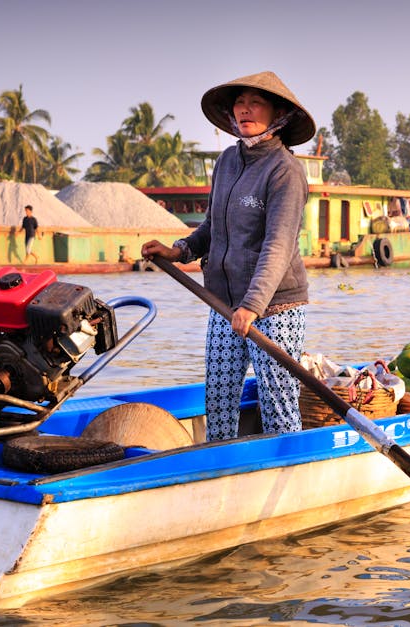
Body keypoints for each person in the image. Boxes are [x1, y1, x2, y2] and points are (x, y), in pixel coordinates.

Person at [141, 71, 315, 441]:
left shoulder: (285, 170)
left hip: (275, 307)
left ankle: (286, 469)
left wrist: (252, 306)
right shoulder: (226, 163)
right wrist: (178, 251)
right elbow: (212, 229)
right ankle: (220, 470)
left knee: (278, 404)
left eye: (256, 103)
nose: (245, 110)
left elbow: (278, 245)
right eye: (240, 103)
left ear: (278, 114)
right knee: (218, 400)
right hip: (224, 304)